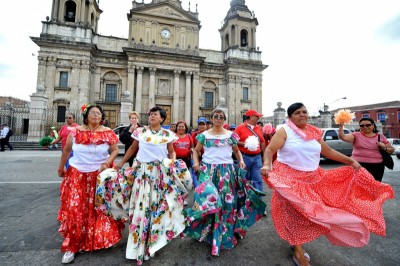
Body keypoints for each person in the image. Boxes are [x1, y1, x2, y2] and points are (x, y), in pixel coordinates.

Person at [260, 102, 394, 266]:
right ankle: (298, 251)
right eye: (297, 113)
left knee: (313, 214)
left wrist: (350, 161)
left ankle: (297, 244)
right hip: (289, 179)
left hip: (313, 179)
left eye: (304, 111)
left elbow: (328, 152)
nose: (302, 115)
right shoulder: (285, 130)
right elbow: (269, 150)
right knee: (292, 214)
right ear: (290, 117)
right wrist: (267, 164)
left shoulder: (314, 132)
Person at [96, 106, 192, 265]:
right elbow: (133, 149)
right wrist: (120, 165)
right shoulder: (140, 132)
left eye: (155, 114)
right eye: (151, 114)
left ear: (162, 118)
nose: (152, 116)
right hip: (142, 174)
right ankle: (138, 244)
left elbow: (171, 151)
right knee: (141, 208)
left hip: (160, 175)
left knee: (157, 208)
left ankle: (153, 242)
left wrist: (173, 160)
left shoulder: (168, 134)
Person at [184, 108, 266, 256]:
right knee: (208, 202)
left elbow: (236, 151)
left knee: (227, 203)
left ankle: (225, 232)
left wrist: (240, 161)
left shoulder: (231, 135)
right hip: (208, 171)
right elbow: (196, 151)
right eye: (216, 116)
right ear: (212, 118)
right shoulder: (204, 136)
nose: (219, 119)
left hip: (227, 172)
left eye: (221, 117)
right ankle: (207, 230)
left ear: (224, 119)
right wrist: (196, 163)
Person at [57, 104, 123, 264]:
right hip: (77, 175)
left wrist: (107, 164)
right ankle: (72, 245)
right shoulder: (75, 131)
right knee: (76, 209)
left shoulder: (107, 133)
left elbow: (114, 150)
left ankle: (98, 238)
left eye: (98, 113)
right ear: (86, 116)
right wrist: (61, 167)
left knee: (98, 208)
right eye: (92, 112)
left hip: (99, 176)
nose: (95, 114)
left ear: (102, 117)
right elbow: (66, 150)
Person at [338, 118, 394, 182]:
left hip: (376, 167)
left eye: (368, 125)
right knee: (358, 187)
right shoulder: (356, 135)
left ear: (373, 125)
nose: (365, 127)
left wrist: (384, 147)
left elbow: (391, 150)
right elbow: (343, 137)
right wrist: (341, 126)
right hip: (358, 165)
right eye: (362, 126)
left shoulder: (380, 136)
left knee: (374, 187)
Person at [234, 109, 266, 193]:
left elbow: (262, 141)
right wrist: (245, 144)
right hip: (244, 157)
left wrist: (264, 156)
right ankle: (243, 199)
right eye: (257, 116)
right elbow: (233, 141)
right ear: (251, 116)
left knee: (258, 180)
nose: (259, 118)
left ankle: (258, 202)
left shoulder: (258, 128)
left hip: (257, 157)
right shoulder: (240, 128)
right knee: (242, 179)